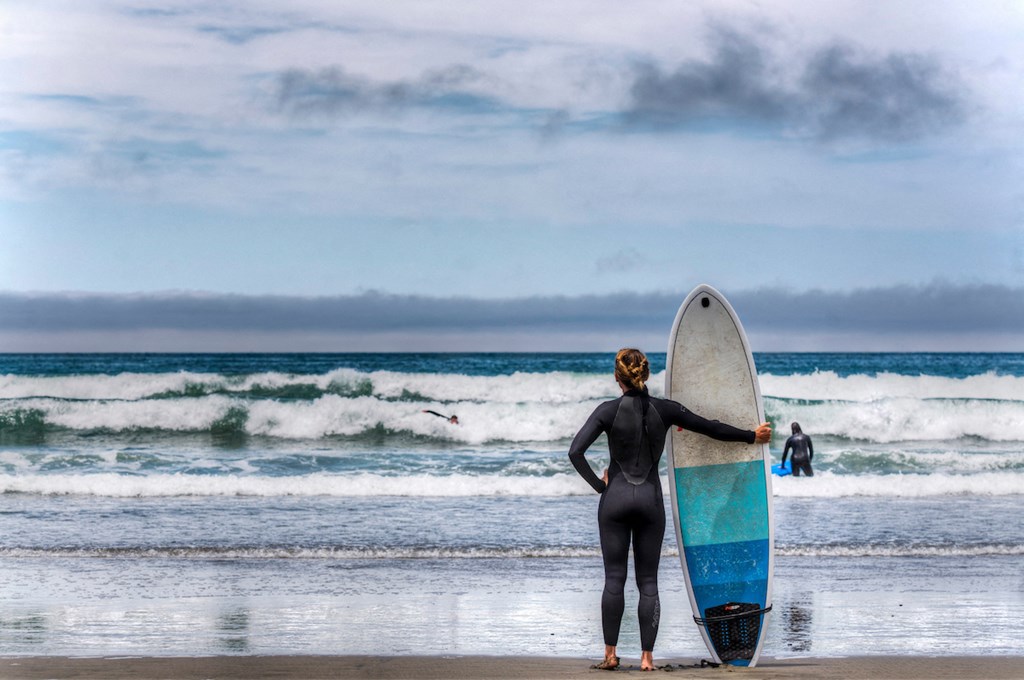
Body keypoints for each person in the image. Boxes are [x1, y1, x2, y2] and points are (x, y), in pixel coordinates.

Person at [568, 348, 771, 671]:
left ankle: (610, 656)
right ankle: (647, 659)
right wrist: (751, 436)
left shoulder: (606, 411)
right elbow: (710, 427)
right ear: (646, 375)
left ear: (616, 377)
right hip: (649, 501)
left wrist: (600, 486)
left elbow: (575, 452)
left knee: (614, 580)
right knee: (648, 581)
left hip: (615, 500)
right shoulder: (665, 410)